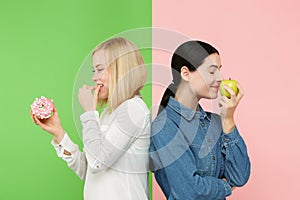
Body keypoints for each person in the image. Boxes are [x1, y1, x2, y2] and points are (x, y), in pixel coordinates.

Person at [30, 37, 151, 200]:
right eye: (94, 70)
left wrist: (89, 113)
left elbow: (97, 162)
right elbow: (88, 171)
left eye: (100, 69)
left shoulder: (133, 109)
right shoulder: (108, 113)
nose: (94, 78)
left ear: (121, 70)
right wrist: (59, 134)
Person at [150, 40, 250, 200]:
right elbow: (190, 192)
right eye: (212, 72)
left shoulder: (217, 122)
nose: (220, 78)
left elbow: (240, 176)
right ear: (185, 73)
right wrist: (225, 185)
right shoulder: (164, 126)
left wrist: (229, 120)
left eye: (220, 70)